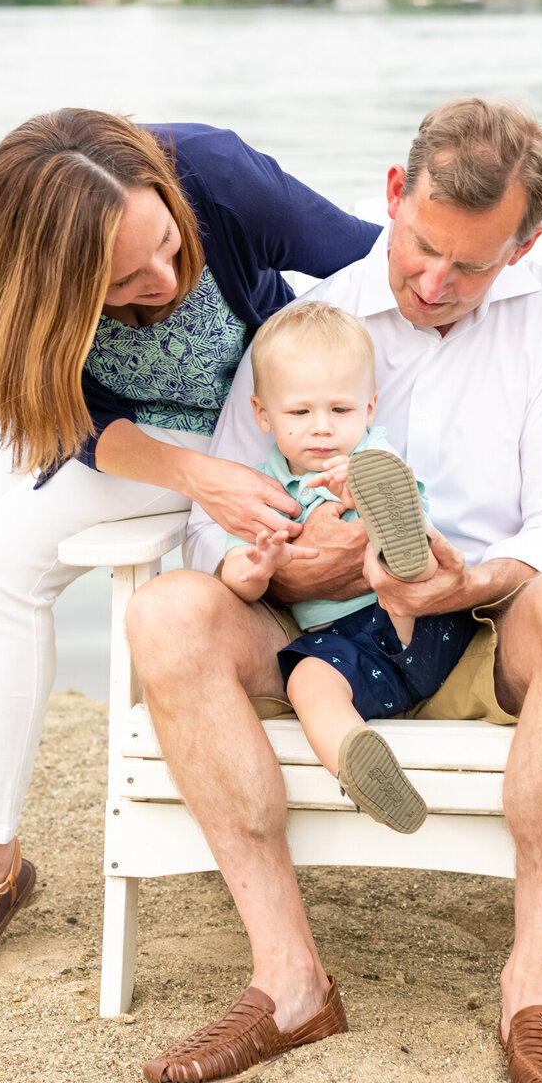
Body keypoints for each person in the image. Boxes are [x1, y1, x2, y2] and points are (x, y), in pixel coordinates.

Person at [128, 97, 542, 1083]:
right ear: (395, 197)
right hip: (313, 626)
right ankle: (291, 981)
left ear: (526, 243)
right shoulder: (304, 332)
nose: (437, 284)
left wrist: (474, 580)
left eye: (474, 267)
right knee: (167, 613)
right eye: (422, 250)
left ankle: (530, 991)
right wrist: (282, 567)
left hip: (481, 623)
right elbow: (217, 515)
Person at [0, 109, 379, 971]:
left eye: (166, 241)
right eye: (123, 281)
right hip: (78, 420)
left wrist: (347, 441)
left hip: (227, 422)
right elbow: (45, 404)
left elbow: (374, 270)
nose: (166, 275)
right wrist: (190, 482)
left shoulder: (220, 175)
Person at [219, 298, 472, 835]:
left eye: (340, 411)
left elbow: (424, 528)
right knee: (307, 680)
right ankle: (357, 760)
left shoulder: (375, 459)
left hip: (424, 620)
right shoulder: (260, 492)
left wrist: (358, 488)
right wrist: (257, 567)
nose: (321, 430)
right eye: (299, 413)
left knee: (406, 562)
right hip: (348, 652)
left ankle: (390, 539)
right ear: (263, 414)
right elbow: (237, 580)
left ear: (370, 409)